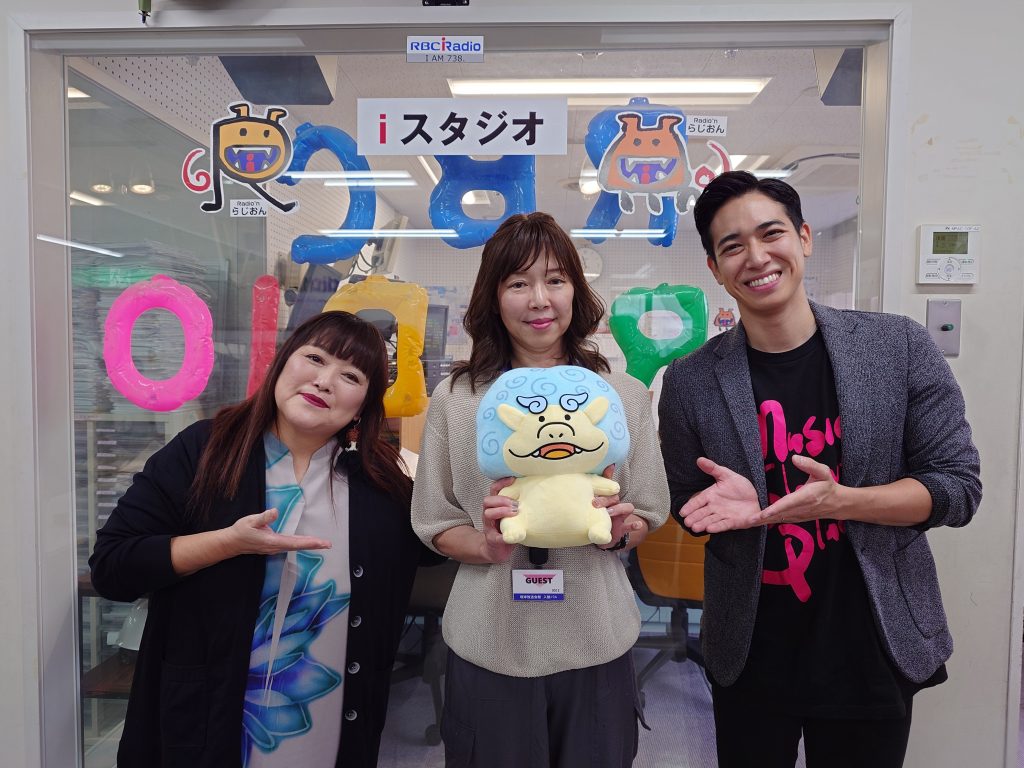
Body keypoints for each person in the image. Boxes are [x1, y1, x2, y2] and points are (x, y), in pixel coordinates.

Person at [658, 171, 982, 768]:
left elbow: (957, 488)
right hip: (751, 648)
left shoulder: (897, 347)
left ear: (804, 238)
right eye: (732, 246)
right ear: (715, 268)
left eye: (771, 233)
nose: (757, 257)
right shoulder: (690, 381)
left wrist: (842, 502)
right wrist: (718, 512)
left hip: (871, 642)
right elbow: (688, 500)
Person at [89, 310, 443, 768]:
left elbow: (436, 542)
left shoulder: (380, 483)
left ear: (363, 406)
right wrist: (227, 544)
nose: (324, 381)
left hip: (329, 724)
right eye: (315, 358)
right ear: (281, 362)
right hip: (205, 725)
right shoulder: (206, 450)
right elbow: (113, 566)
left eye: (350, 376)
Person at [411, 212, 670, 768]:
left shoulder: (619, 394)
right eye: (517, 283)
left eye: (555, 279)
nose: (539, 299)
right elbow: (434, 519)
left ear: (576, 290)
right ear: (493, 295)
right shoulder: (458, 398)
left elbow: (649, 507)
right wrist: (485, 545)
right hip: (489, 639)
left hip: (597, 636)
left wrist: (619, 532)